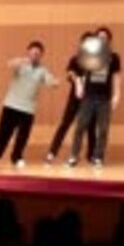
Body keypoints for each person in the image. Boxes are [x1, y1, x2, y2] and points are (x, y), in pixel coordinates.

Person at [0, 41, 58, 171]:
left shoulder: (42, 70)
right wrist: (23, 61)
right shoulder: (21, 65)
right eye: (33, 53)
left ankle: (17, 158)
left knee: (23, 136)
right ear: (28, 52)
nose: (35, 55)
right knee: (3, 133)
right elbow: (9, 64)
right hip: (11, 105)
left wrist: (54, 82)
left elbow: (51, 81)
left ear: (41, 56)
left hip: (28, 109)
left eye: (38, 54)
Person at [66, 26, 121, 169]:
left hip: (104, 98)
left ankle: (98, 157)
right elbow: (82, 73)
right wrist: (79, 86)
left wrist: (116, 95)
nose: (102, 39)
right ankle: (73, 156)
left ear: (109, 40)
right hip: (89, 96)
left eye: (105, 37)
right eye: (100, 37)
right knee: (80, 127)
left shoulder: (114, 57)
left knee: (103, 130)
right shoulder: (89, 54)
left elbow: (116, 77)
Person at [45, 31, 97, 165]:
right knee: (65, 123)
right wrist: (76, 79)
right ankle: (52, 152)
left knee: (91, 126)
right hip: (75, 97)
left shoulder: (97, 60)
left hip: (90, 98)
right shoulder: (75, 59)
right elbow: (69, 73)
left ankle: (91, 155)